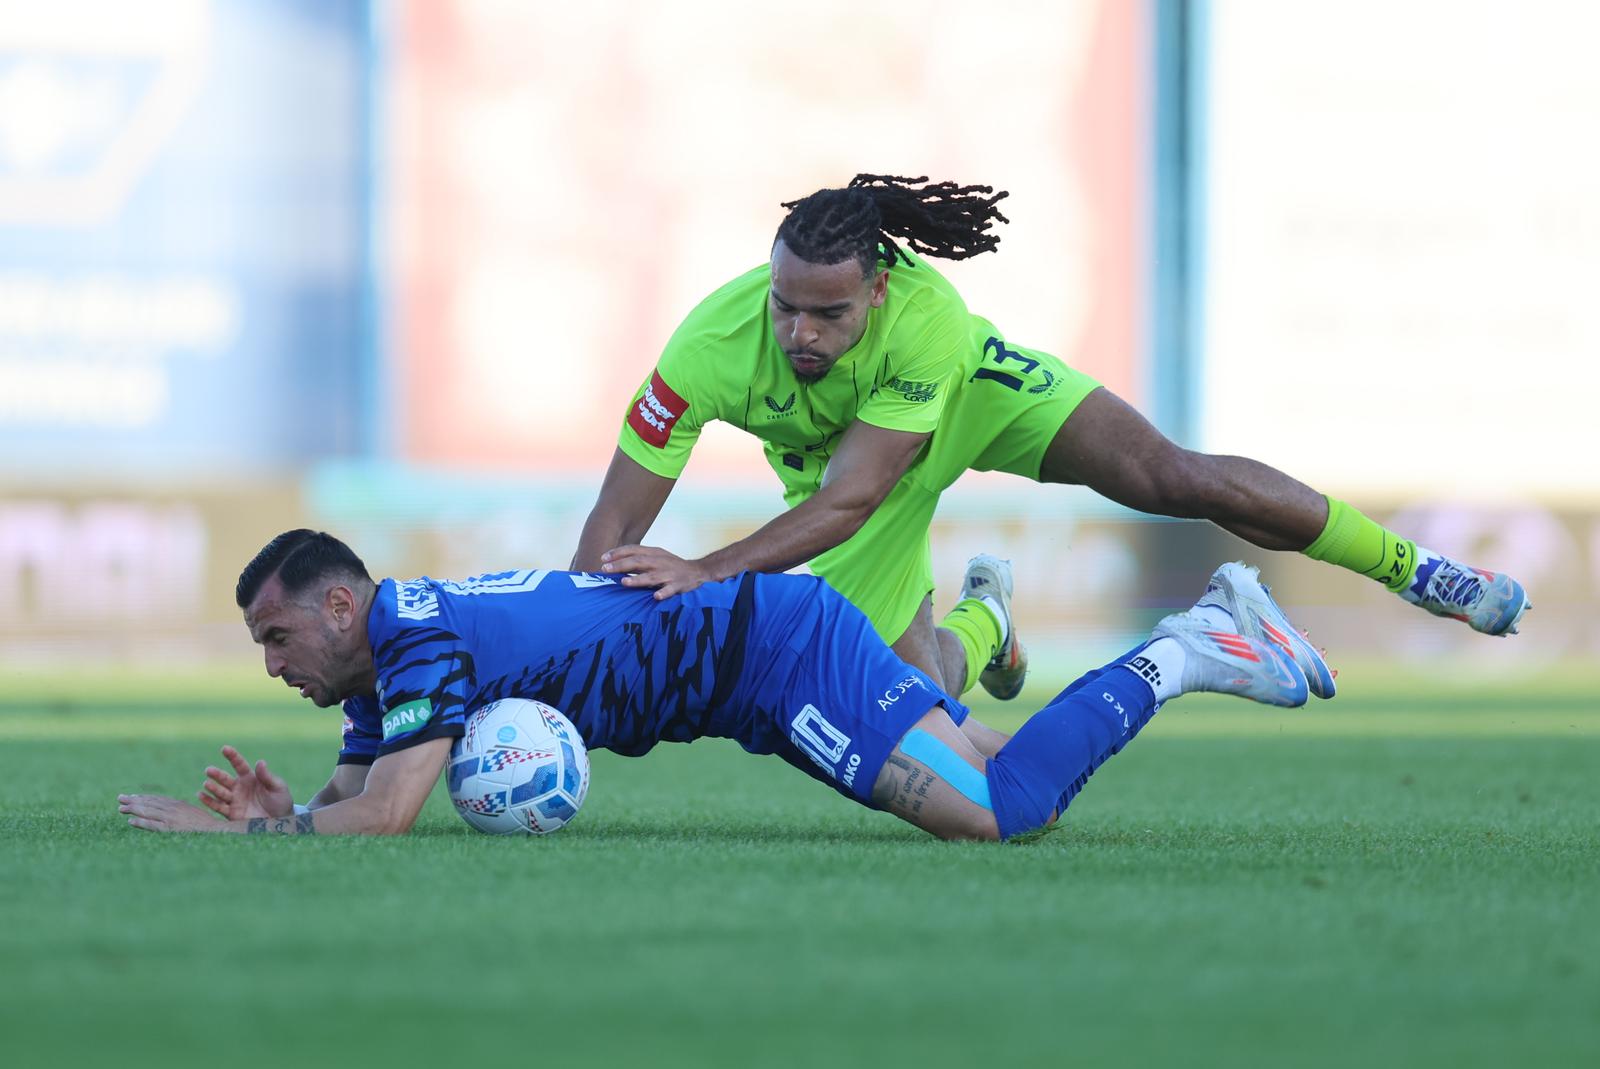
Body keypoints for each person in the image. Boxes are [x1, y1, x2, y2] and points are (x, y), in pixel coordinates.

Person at [572, 173, 1530, 708]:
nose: (799, 335)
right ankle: (987, 619)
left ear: (877, 287)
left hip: (959, 406)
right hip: (848, 471)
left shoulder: (930, 315)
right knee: (919, 702)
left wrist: (708, 568)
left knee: (1170, 474)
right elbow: (613, 520)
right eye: (785, 309)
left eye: (826, 313)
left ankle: (1415, 569)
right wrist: (560, 655)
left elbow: (852, 500)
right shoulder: (706, 344)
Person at [119, 530, 1331, 840]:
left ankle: (1192, 643)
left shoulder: (419, 641)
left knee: (1001, 810)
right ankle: (984, 618)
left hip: (770, 654)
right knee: (984, 751)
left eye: (277, 637)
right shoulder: (393, 657)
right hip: (759, 654)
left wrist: (256, 840)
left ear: (340, 604)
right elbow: (353, 788)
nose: (273, 664)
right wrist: (283, 814)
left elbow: (382, 819)